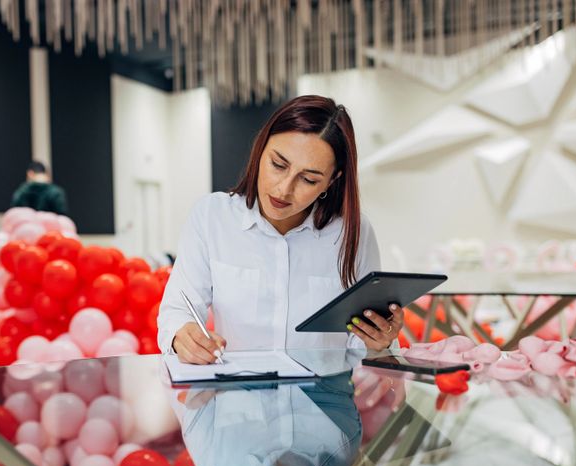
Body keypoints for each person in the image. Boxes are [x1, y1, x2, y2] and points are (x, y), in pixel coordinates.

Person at [157, 95, 404, 365]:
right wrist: (182, 335)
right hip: (239, 397)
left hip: (324, 400)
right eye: (278, 165)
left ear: (332, 181)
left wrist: (378, 341)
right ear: (260, 149)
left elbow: (360, 345)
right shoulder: (211, 217)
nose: (283, 189)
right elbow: (178, 310)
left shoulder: (353, 233)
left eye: (309, 179)